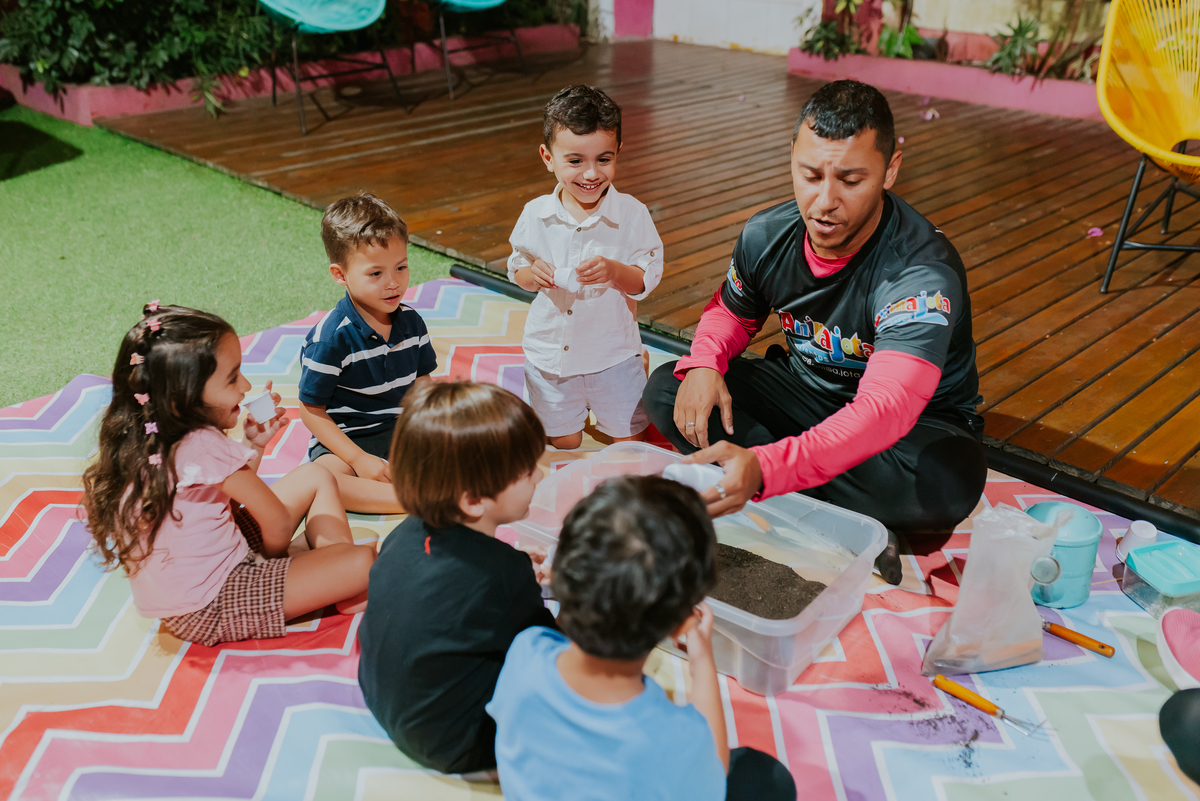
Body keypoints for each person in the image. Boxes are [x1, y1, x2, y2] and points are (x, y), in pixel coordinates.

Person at [643, 80, 988, 584]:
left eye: (851, 180)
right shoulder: (766, 234)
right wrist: (705, 360)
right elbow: (733, 311)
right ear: (792, 158)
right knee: (670, 387)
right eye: (809, 175)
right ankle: (848, 523)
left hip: (910, 433)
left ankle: (792, 501)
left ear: (891, 168)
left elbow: (883, 412)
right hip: (806, 396)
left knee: (944, 487)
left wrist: (765, 468)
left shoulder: (920, 276)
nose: (824, 202)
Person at [487, 475, 797, 801]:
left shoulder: (526, 648)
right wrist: (702, 662)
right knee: (767, 778)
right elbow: (715, 774)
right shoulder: (673, 739)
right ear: (678, 624)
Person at [81, 304, 375, 647]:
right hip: (216, 603)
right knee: (365, 561)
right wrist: (275, 565)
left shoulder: (147, 435)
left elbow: (222, 501)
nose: (245, 386)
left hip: (189, 595)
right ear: (185, 396)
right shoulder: (203, 445)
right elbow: (277, 521)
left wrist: (254, 445)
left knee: (314, 475)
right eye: (233, 377)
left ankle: (327, 574)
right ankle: (338, 580)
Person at [357, 381, 556, 774]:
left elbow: (452, 586)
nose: (541, 474)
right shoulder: (503, 574)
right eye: (527, 470)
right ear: (472, 499)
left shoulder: (404, 534)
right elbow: (555, 653)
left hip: (383, 700)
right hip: (460, 743)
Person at [508, 84, 663, 450]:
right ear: (548, 157)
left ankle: (635, 368)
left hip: (612, 354)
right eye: (575, 161)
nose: (591, 174)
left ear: (618, 152)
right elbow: (517, 267)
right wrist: (534, 275)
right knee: (564, 443)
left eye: (604, 160)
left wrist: (614, 271)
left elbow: (646, 278)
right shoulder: (536, 214)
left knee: (630, 441)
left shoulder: (632, 215)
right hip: (551, 358)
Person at [299, 191, 436, 514]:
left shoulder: (412, 322)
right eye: (376, 274)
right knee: (324, 480)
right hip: (347, 440)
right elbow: (311, 411)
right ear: (340, 275)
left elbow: (424, 384)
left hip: (402, 429)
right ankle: (413, 501)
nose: (393, 283)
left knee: (470, 442)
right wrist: (359, 459)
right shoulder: (330, 339)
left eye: (401, 268)